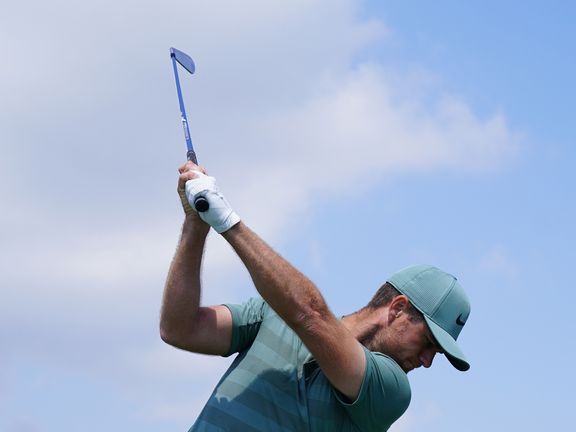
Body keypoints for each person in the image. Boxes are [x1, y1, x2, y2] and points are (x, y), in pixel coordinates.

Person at [160, 162, 471, 432]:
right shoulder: (271, 313)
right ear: (399, 309)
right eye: (429, 342)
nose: (428, 362)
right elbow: (179, 329)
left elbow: (309, 315)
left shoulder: (391, 390)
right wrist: (195, 223)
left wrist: (225, 220)